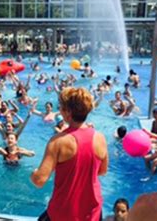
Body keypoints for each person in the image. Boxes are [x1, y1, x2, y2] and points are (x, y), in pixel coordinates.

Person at [31, 87, 108, 221]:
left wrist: (34, 173)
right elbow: (102, 171)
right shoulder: (100, 138)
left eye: (61, 107)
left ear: (67, 113)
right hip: (93, 212)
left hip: (64, 212)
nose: (59, 110)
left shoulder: (58, 141)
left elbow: (39, 180)